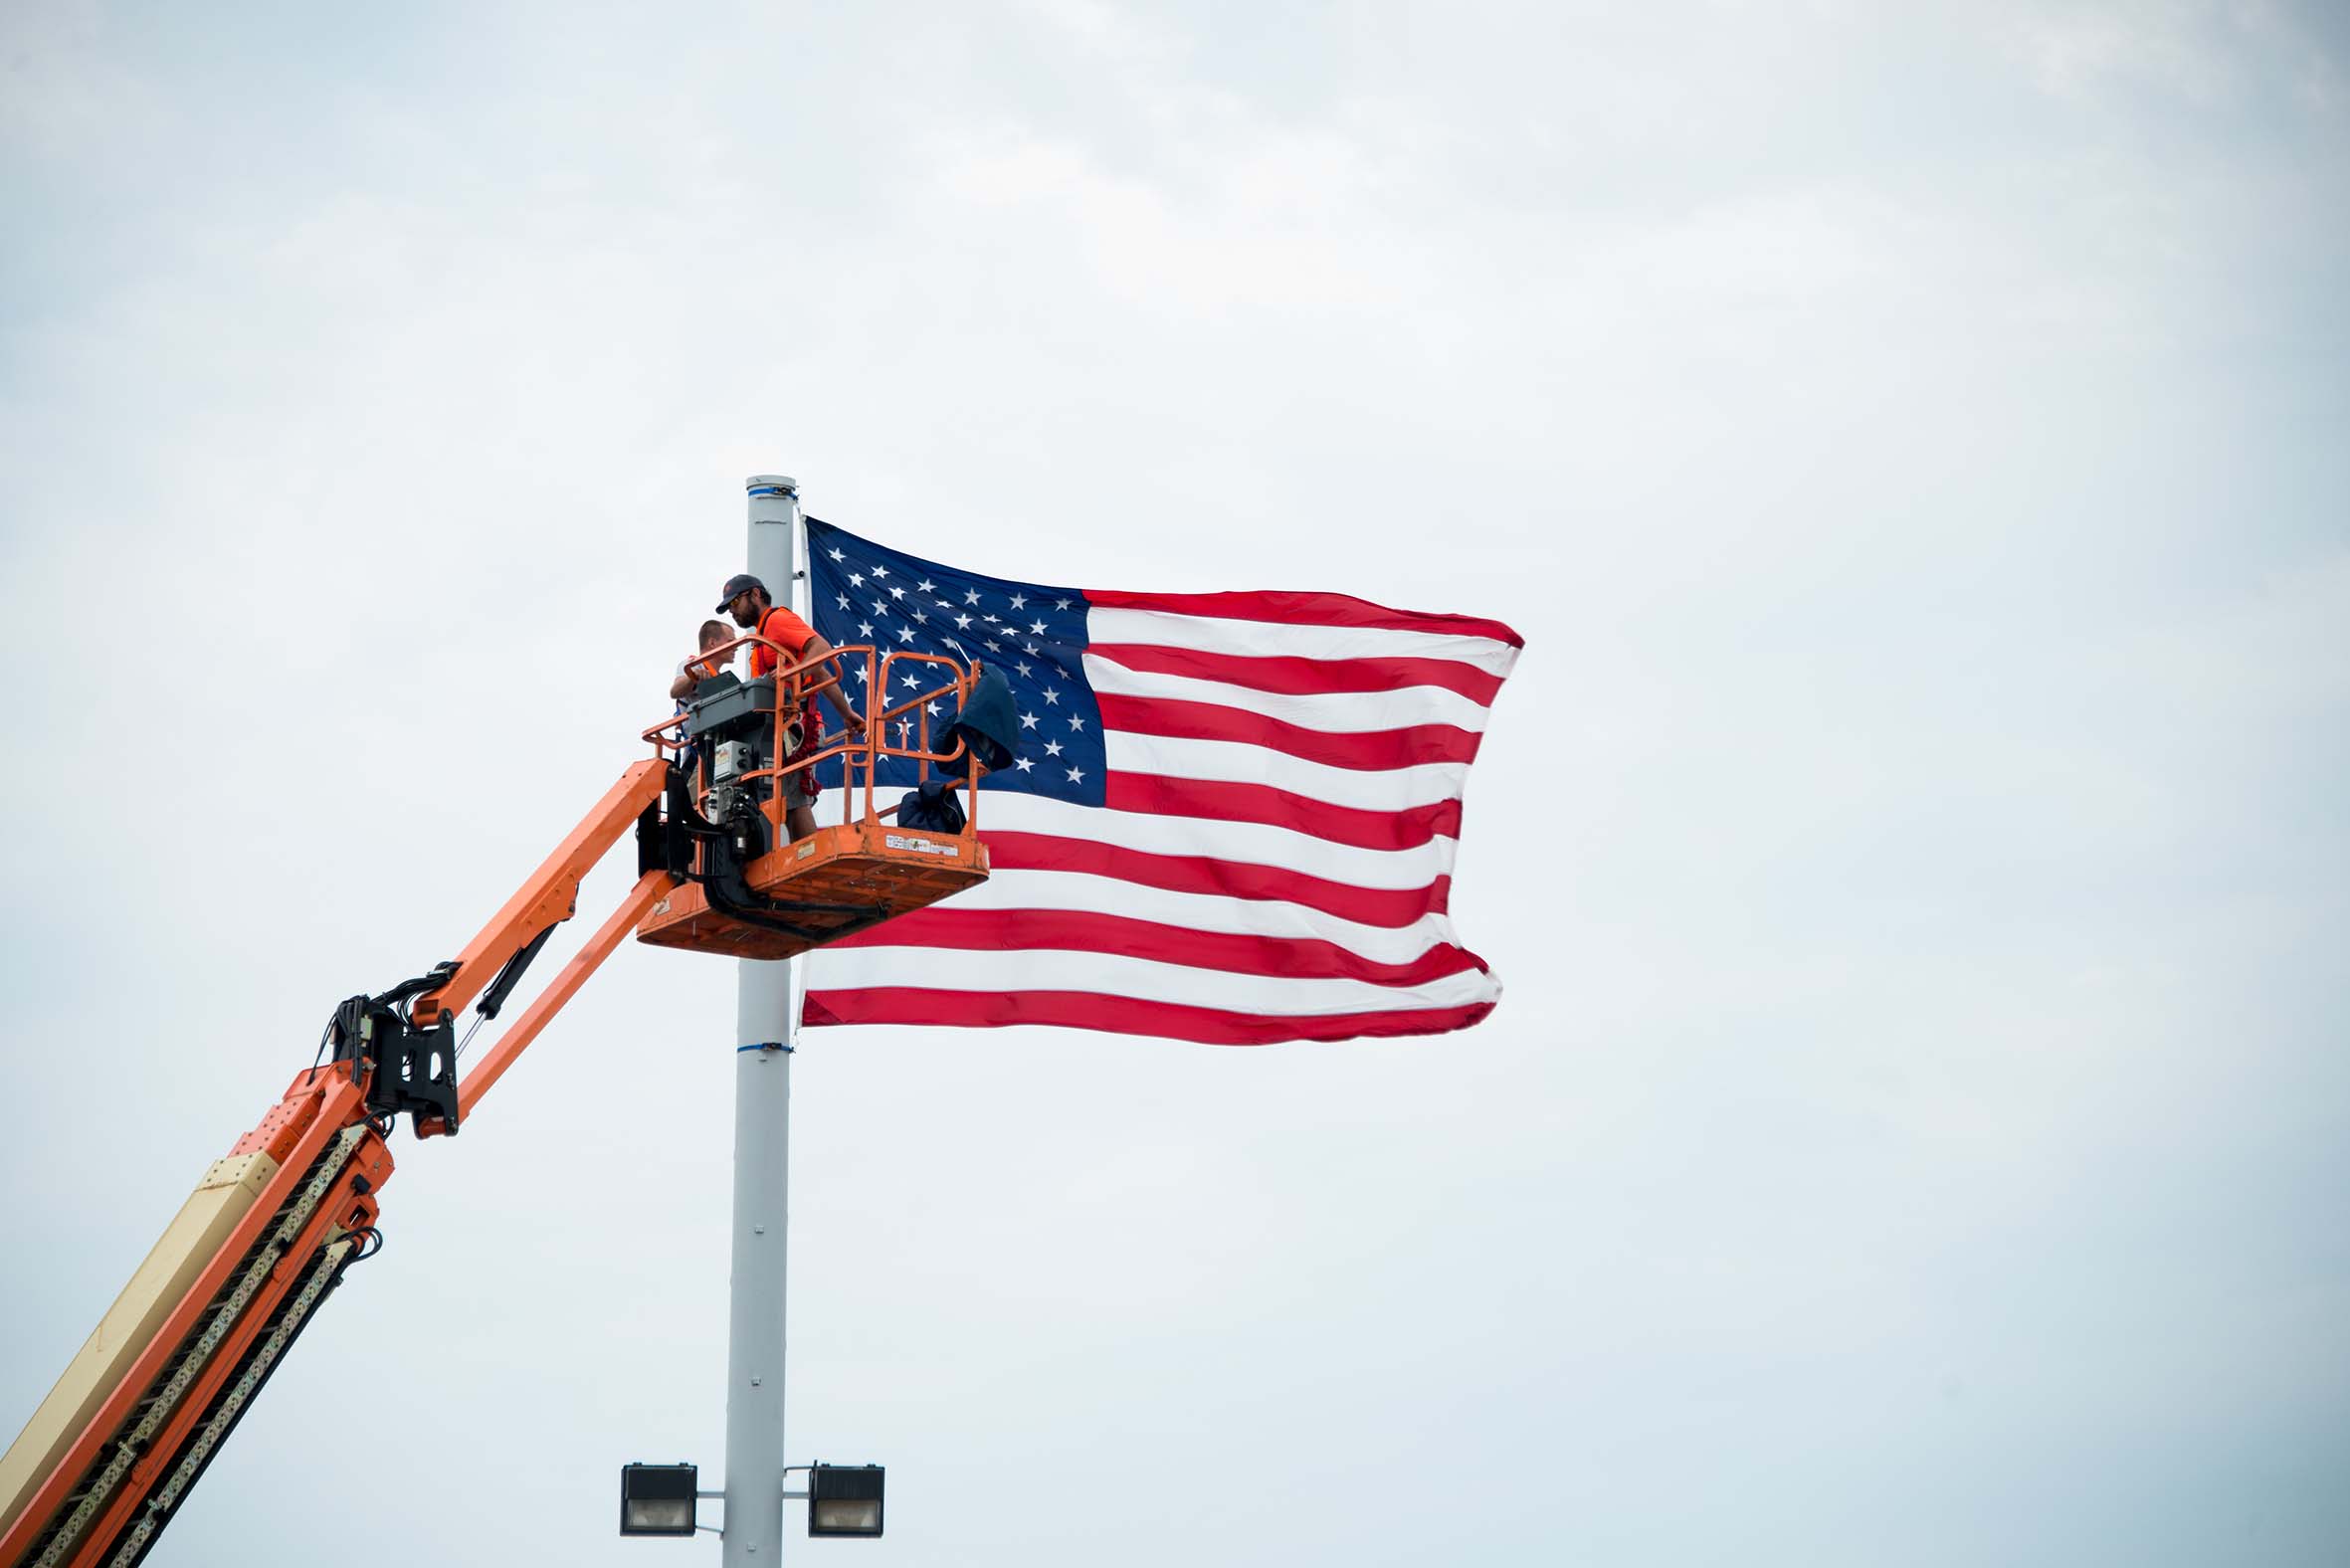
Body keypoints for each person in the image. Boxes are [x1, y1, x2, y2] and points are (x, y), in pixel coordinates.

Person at [716, 572, 863, 842]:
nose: (733, 613)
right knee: (778, 798)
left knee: (795, 801)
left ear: (756, 594)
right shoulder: (761, 637)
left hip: (795, 727)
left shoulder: (777, 621)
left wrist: (793, 675)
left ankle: (806, 857)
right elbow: (819, 674)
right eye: (729, 608)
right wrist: (846, 713)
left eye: (735, 603)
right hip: (777, 727)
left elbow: (820, 647)